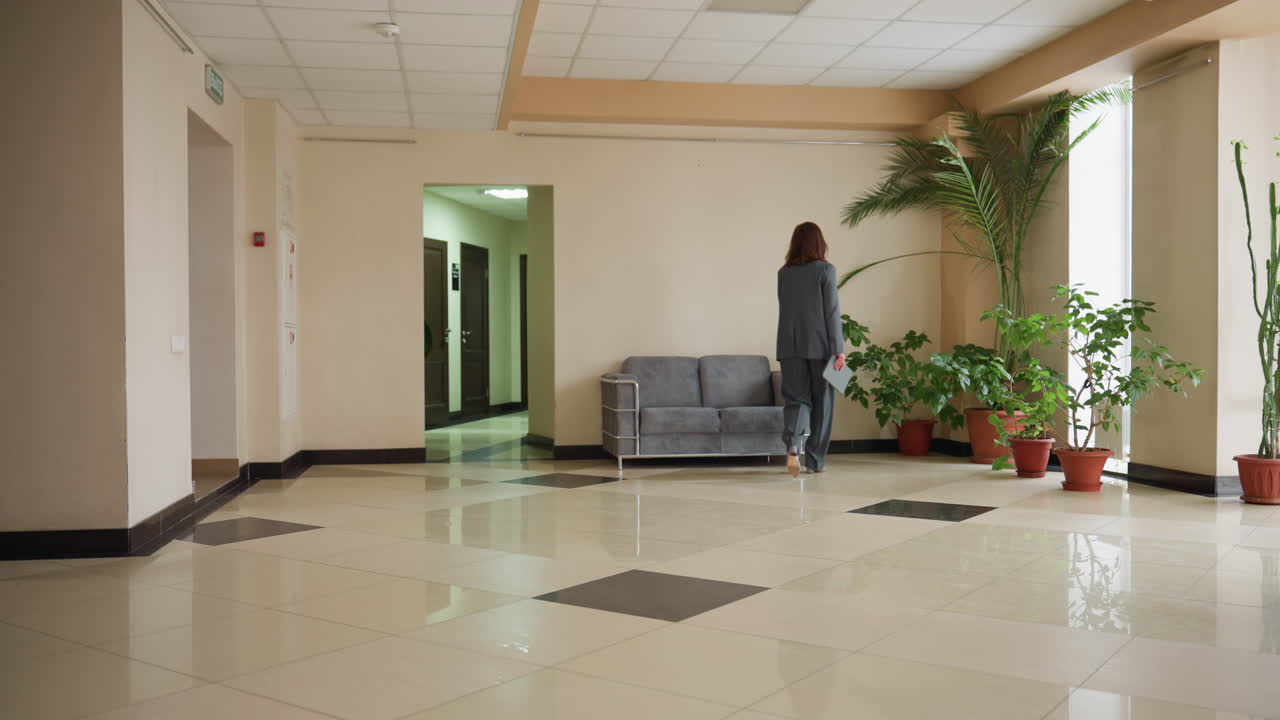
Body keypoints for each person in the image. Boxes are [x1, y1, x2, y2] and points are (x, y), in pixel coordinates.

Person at [776, 221, 845, 477]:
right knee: (823, 402)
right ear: (819, 243)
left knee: (796, 399)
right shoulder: (826, 270)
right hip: (821, 346)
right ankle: (815, 461)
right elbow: (831, 312)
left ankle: (793, 443)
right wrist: (839, 349)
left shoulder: (784, 273)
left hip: (788, 346)